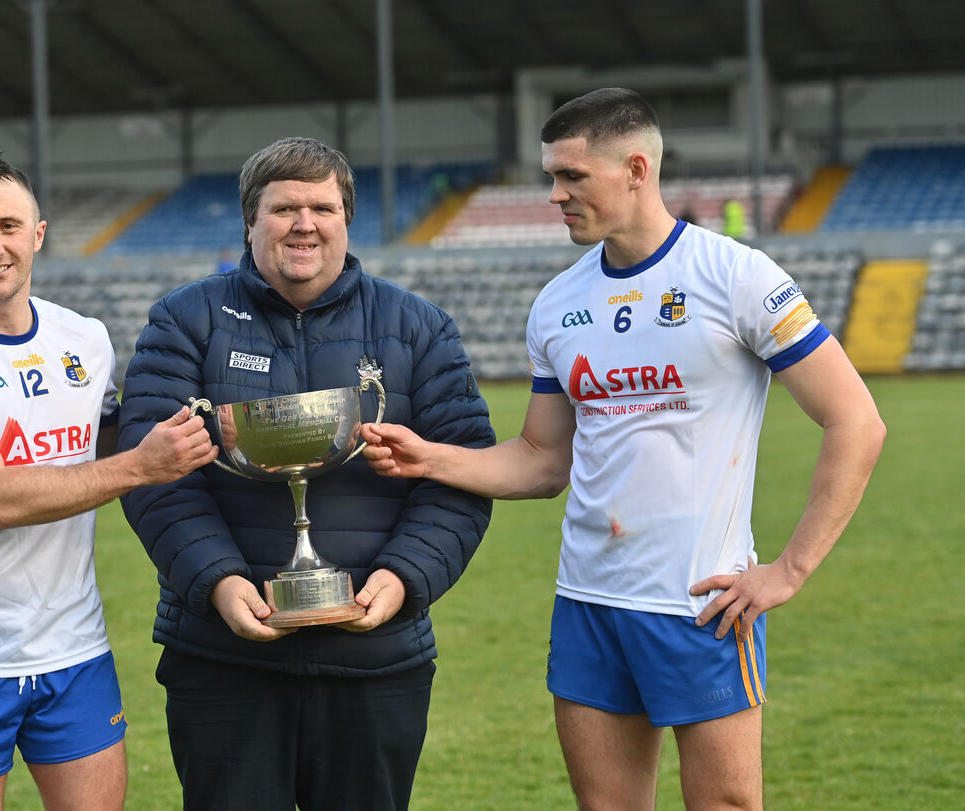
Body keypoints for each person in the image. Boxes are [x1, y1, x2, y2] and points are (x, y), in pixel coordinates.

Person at [361, 88, 885, 810]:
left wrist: (789, 569)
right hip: (588, 602)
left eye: (572, 176)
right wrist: (430, 457)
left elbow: (856, 421)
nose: (555, 195)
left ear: (637, 168)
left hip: (702, 604)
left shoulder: (736, 277)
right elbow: (544, 460)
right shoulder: (558, 303)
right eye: (551, 176)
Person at [118, 136, 494, 810]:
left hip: (377, 657)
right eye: (283, 207)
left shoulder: (418, 328)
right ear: (250, 222)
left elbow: (461, 472)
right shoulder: (183, 320)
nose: (303, 223)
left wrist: (404, 577)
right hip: (223, 657)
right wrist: (220, 582)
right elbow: (159, 478)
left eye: (322, 206)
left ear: (347, 218)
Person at [0, 149, 218, 811]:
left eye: (8, 226)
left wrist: (212, 426)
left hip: (75, 648)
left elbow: (117, 440)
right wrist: (142, 465)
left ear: (38, 233)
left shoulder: (84, 339)